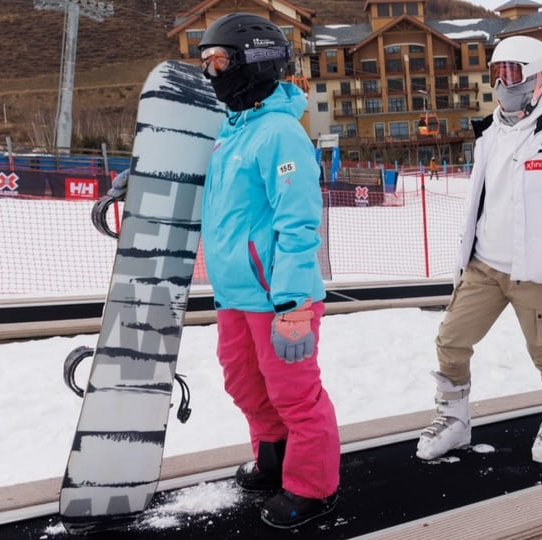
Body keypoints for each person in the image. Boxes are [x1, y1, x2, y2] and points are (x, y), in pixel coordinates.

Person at [415, 35, 542, 465]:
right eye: (497, 73)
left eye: (513, 74)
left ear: (540, 80)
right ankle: (454, 420)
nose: (502, 83)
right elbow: (481, 197)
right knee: (451, 341)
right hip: (486, 265)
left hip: (536, 271)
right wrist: (464, 259)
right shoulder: (491, 131)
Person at [197, 13, 339, 529]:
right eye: (205, 62)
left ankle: (313, 487)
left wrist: (294, 304)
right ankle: (275, 458)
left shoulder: (279, 134)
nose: (212, 74)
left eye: (219, 61)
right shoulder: (232, 132)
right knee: (245, 387)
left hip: (279, 297)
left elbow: (299, 225)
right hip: (234, 295)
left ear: (253, 63)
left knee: (295, 396)